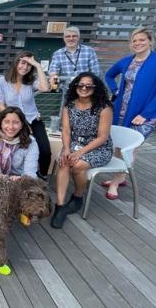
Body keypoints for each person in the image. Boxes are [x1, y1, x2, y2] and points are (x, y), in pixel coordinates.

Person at [102, 27, 156, 199]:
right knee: (117, 144)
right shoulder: (127, 61)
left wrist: (146, 113)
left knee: (130, 147)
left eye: (142, 39)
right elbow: (109, 75)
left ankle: (115, 182)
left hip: (144, 113)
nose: (138, 43)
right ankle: (119, 176)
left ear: (150, 41)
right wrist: (115, 90)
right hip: (121, 110)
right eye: (134, 41)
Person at [50, 73, 114, 228]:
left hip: (98, 147)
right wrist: (66, 149)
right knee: (64, 161)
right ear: (75, 86)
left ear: (95, 88)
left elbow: (102, 137)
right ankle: (60, 205)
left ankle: (78, 196)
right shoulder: (69, 106)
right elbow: (66, 131)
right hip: (74, 144)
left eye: (88, 86)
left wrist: (79, 153)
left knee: (77, 166)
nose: (84, 88)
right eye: (80, 85)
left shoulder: (104, 108)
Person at [0, 51, 51, 178]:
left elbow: (45, 88)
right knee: (20, 149)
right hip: (13, 121)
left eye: (29, 65)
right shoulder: (1, 82)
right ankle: (16, 173)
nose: (25, 67)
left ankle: (42, 176)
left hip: (33, 119)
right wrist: (12, 122)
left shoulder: (31, 81)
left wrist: (38, 66)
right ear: (16, 63)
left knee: (45, 151)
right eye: (22, 63)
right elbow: (1, 105)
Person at [0, 106, 38, 179]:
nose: (11, 127)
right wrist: (6, 179)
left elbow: (30, 173)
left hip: (20, 178)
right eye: (6, 122)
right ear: (1, 123)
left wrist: (20, 179)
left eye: (16, 122)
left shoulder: (31, 143)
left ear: (22, 125)